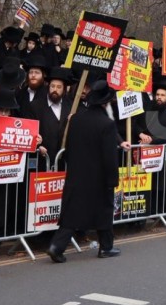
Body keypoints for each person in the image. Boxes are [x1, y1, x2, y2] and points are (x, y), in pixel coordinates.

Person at [47, 80, 122, 262]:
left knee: (73, 212)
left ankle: (56, 246)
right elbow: (109, 155)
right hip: (99, 177)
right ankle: (106, 247)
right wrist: (113, 178)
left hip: (77, 173)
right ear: (105, 103)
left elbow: (69, 148)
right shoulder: (107, 124)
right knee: (104, 210)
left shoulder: (76, 119)